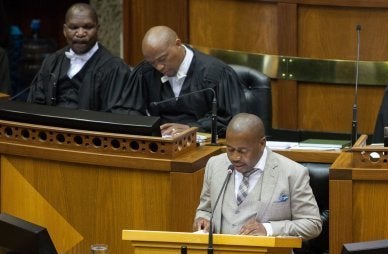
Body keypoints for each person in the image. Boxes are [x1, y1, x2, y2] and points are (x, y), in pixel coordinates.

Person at [193, 113, 322, 241]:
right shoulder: (215, 165)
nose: (235, 158)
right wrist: (202, 220)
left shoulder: (293, 173)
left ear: (262, 144)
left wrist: (269, 229)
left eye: (243, 151)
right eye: (230, 149)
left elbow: (312, 224)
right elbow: (206, 210)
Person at [115, 26, 243, 137]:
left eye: (163, 58)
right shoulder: (145, 72)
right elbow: (128, 110)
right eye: (152, 62)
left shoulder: (215, 73)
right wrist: (148, 128)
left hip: (202, 145)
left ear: (178, 43)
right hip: (159, 144)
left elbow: (230, 119)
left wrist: (192, 128)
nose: (159, 67)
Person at [27, 3, 130, 111]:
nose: (80, 33)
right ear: (65, 30)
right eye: (74, 27)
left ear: (97, 29)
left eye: (88, 27)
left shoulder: (115, 69)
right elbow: (35, 105)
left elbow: (116, 116)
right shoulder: (52, 61)